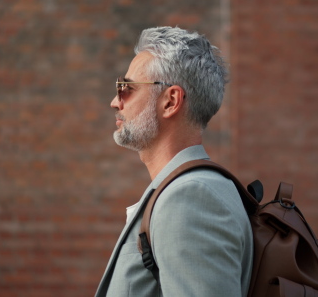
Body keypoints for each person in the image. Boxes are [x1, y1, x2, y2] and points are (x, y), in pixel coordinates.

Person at [95, 26, 253, 297]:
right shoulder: (187, 192)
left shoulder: (190, 198)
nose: (114, 101)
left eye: (126, 88)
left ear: (170, 101)